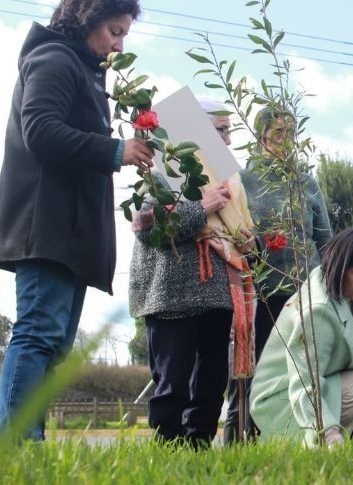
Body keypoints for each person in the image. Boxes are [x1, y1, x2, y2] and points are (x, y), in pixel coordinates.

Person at [0, 0, 151, 441]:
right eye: (114, 32)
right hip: (46, 228)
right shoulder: (54, 59)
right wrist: (116, 151)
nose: (118, 45)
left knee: (53, 343)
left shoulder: (82, 70)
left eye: (124, 34)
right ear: (87, 19)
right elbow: (39, 129)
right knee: (38, 333)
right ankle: (19, 447)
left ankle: (28, 443)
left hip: (69, 233)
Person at [129, 99, 253, 448]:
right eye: (220, 131)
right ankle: (168, 449)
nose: (227, 141)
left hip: (217, 294)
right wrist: (201, 207)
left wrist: (247, 237)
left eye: (229, 131)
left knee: (212, 378)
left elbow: (240, 232)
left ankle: (198, 447)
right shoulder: (160, 174)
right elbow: (146, 228)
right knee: (174, 379)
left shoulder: (232, 184)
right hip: (172, 295)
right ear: (195, 134)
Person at [223, 107, 333, 444]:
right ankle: (240, 445)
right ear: (259, 138)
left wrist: (330, 288)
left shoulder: (307, 183)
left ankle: (299, 443)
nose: (285, 142)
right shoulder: (242, 181)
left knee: (302, 373)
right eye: (278, 134)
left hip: (303, 297)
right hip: (259, 295)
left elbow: (325, 240)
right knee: (250, 375)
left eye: (291, 134)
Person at [249, 228, 353, 446]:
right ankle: (328, 448)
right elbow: (304, 381)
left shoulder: (342, 293)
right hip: (282, 398)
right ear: (341, 268)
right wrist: (328, 431)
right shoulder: (317, 311)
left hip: (322, 381)